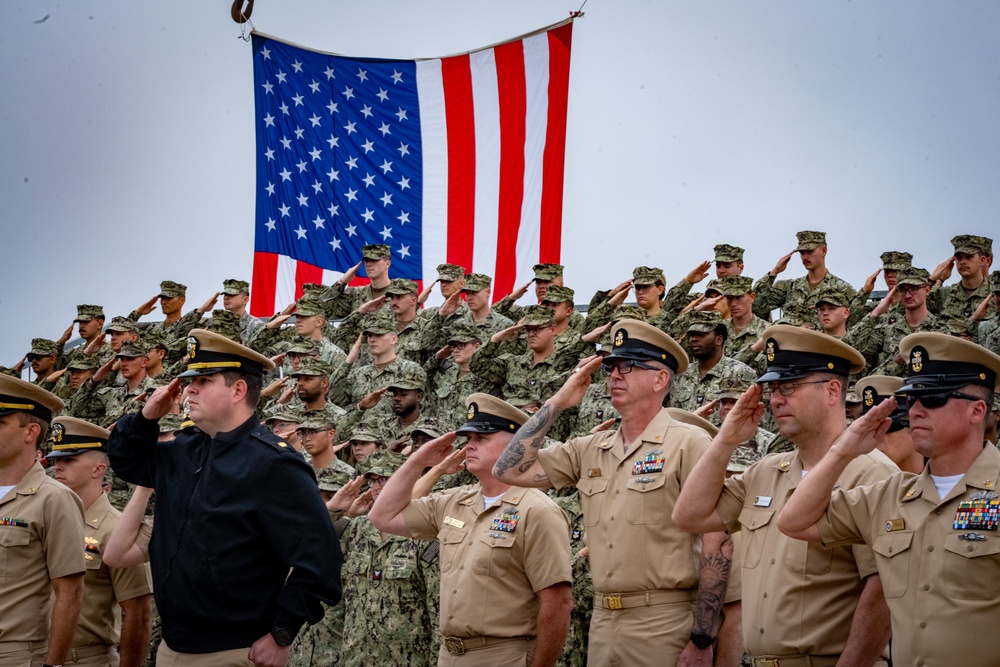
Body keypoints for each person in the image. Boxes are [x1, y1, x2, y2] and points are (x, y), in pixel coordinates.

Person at [492, 319, 731, 667]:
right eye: (611, 367)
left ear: (660, 379)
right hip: (604, 621)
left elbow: (716, 540)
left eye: (628, 366)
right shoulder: (590, 448)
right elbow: (509, 469)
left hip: (664, 621)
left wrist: (702, 636)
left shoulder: (689, 442)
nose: (615, 374)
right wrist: (558, 402)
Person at [108, 329, 343, 667]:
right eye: (190, 380)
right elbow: (125, 461)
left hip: (234, 653)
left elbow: (320, 559)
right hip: (171, 647)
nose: (189, 388)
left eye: (203, 380)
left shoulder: (272, 464)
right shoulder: (184, 450)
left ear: (237, 389)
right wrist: (146, 419)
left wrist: (282, 631)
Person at [672, 324, 896, 666]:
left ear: (833, 390)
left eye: (789, 387)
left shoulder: (871, 473)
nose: (776, 400)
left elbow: (882, 591)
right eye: (773, 389)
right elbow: (689, 516)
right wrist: (726, 440)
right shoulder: (768, 470)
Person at [778, 332, 1000, 667]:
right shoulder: (891, 495)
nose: (917, 410)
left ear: (977, 411)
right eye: (912, 399)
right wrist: (844, 450)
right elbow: (794, 521)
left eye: (933, 398)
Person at [369, 394, 573, 667]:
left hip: (503, 655)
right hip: (449, 655)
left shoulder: (537, 511)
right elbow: (382, 517)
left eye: (482, 439)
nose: (469, 447)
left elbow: (557, 602)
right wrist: (418, 462)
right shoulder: (455, 501)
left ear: (515, 445)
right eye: (469, 440)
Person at [48, 416, 154, 667]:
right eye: (56, 460)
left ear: (98, 469)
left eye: (69, 459)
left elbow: (138, 615)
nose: (58, 467)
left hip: (86, 658)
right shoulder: (47, 519)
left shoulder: (118, 530)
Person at [0, 374, 86, 667]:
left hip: (16, 655)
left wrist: (53, 664)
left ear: (30, 432)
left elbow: (70, 592)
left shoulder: (53, 499)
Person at [752, 230, 856, 325]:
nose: (805, 257)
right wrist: (774, 272)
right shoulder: (790, 287)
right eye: (802, 253)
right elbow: (754, 305)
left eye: (810, 251)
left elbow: (855, 323)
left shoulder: (843, 289)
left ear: (824, 251)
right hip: (789, 343)